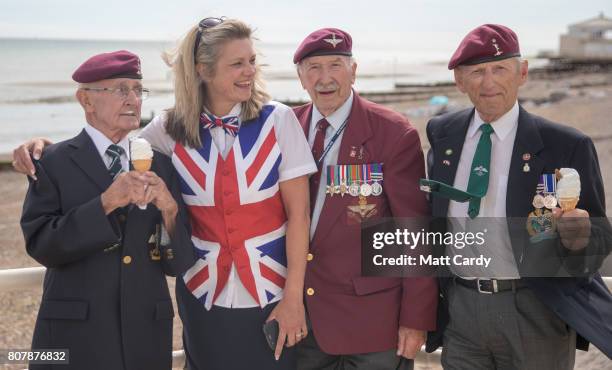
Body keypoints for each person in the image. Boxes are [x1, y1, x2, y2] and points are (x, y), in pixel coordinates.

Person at [14, 18, 315, 370]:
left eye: (252, 61)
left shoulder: (278, 119)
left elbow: (300, 215)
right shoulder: (167, 129)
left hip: (271, 290)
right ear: (203, 70)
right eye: (237, 63)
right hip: (203, 294)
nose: (249, 71)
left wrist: (294, 298)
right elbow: (110, 139)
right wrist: (42, 148)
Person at [423, 24, 612, 368]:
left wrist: (578, 237)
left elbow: (598, 240)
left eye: (500, 69)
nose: (489, 82)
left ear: (522, 73)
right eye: (477, 72)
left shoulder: (566, 145)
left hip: (536, 309)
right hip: (462, 310)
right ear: (459, 81)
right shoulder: (442, 133)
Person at [20, 50, 195, 370]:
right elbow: (42, 246)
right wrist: (105, 204)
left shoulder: (163, 166)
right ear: (86, 100)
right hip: (74, 339)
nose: (133, 100)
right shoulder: (52, 163)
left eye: (137, 90)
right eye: (120, 89)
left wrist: (170, 211)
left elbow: (179, 262)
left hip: (146, 337)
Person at [291, 28, 438, 370]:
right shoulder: (286, 127)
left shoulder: (392, 132)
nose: (325, 78)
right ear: (300, 77)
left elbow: (415, 233)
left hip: (374, 325)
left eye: (335, 65)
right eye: (313, 67)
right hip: (302, 321)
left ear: (353, 71)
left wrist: (415, 319)